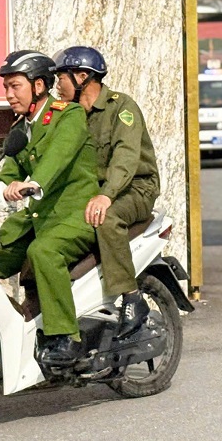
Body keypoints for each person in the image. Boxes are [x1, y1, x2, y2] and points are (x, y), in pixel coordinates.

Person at [0, 50, 99, 367]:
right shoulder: (21, 129)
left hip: (75, 216)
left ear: (38, 85)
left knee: (43, 253)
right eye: (6, 87)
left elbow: (58, 157)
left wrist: (34, 182)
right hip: (40, 218)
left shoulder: (68, 115)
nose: (9, 94)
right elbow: (6, 173)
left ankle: (67, 338)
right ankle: (3, 331)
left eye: (15, 86)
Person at [53, 46, 160, 339]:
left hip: (136, 188)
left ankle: (132, 297)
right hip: (98, 192)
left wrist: (106, 195)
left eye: (61, 77)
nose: (57, 86)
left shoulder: (121, 107)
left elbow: (125, 159)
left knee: (107, 218)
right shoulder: (71, 114)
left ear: (83, 77)